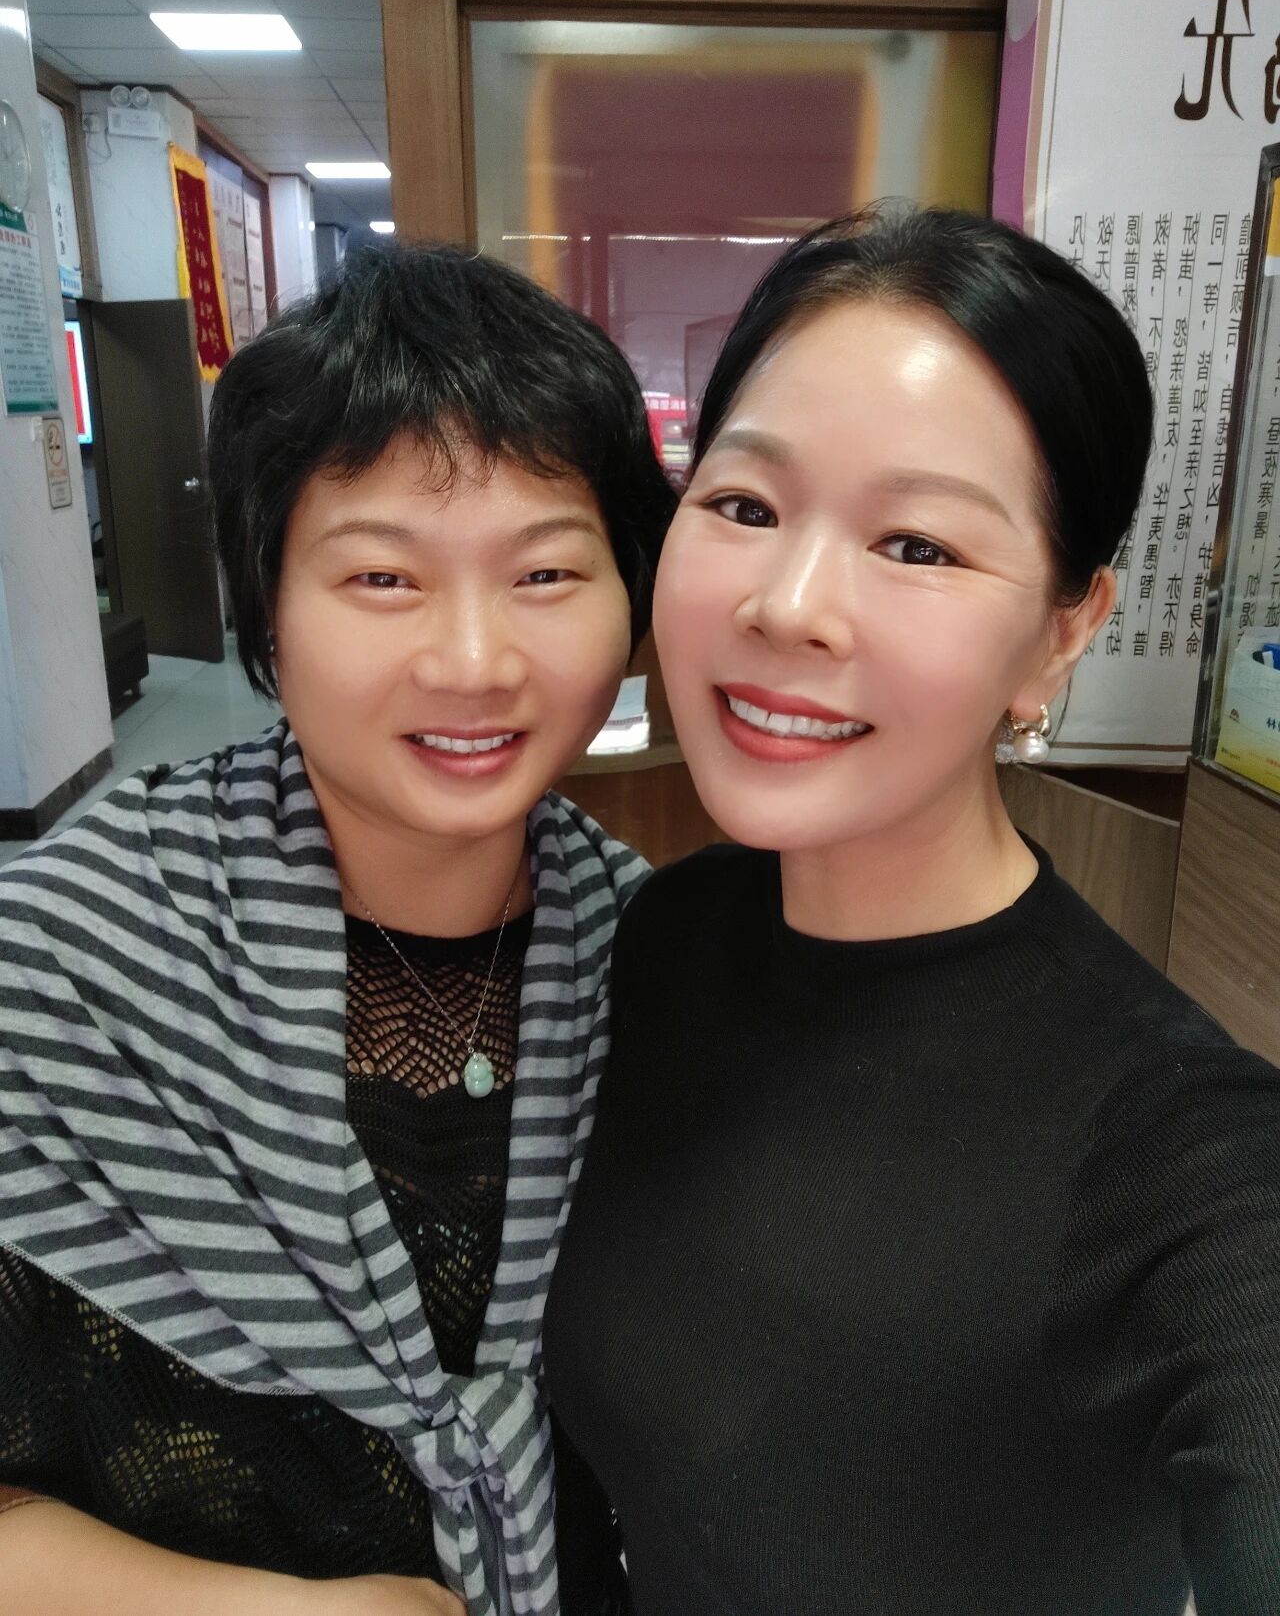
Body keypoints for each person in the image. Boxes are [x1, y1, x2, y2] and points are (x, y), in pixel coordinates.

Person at [543, 207, 1280, 1616]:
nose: (790, 606)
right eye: (745, 506)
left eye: (920, 546)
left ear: (1064, 629)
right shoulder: (663, 938)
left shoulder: (1190, 1158)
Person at [0, 241, 674, 1616]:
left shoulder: (664, 965)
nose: (474, 660)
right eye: (382, 579)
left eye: (548, 574)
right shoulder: (62, 965)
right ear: (267, 603)